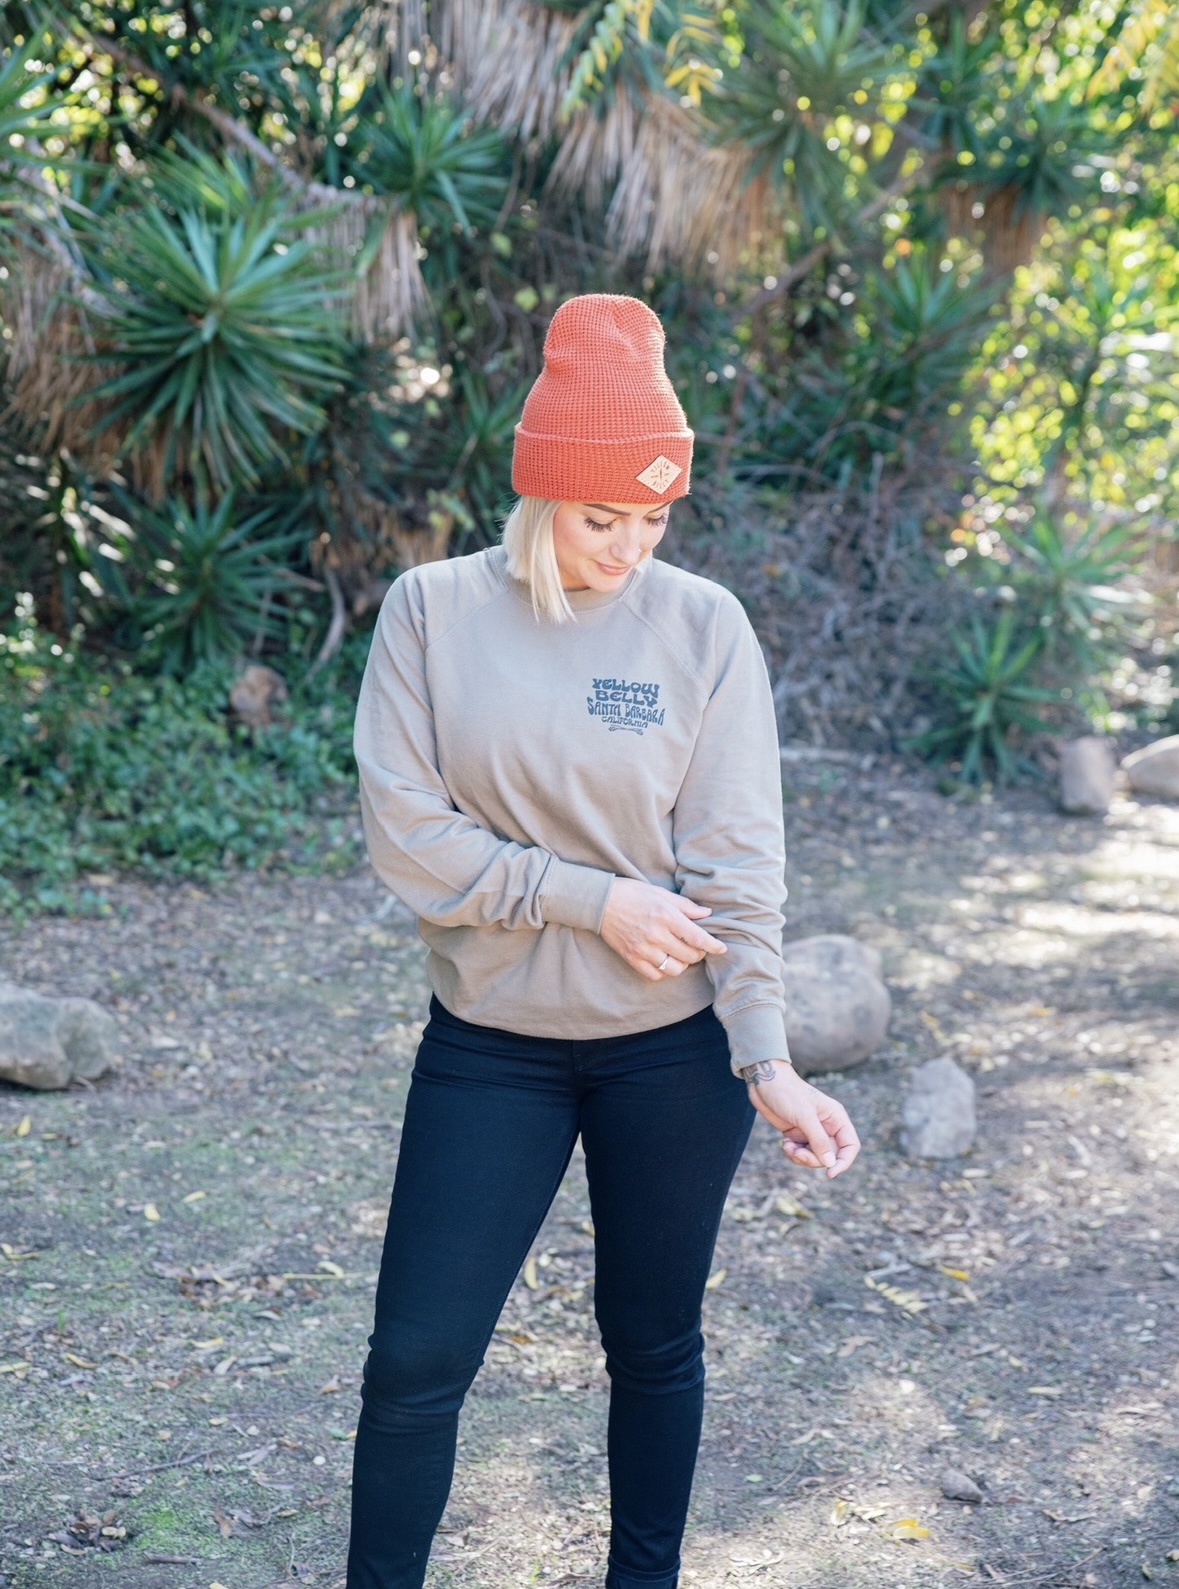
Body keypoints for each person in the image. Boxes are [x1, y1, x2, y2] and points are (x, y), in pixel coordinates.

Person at [348, 293, 860, 1589]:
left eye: (653, 517)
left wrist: (767, 1055)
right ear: (539, 494)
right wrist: (592, 897)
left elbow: (740, 865)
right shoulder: (430, 614)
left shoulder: (703, 629)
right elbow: (409, 842)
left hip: (670, 1057)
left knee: (653, 1339)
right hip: (490, 1050)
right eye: (599, 517)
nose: (629, 546)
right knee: (417, 1354)